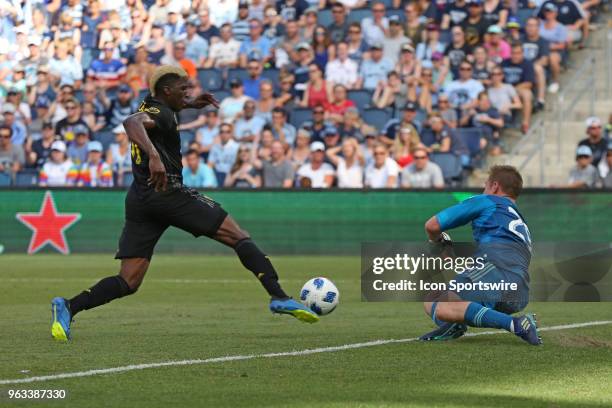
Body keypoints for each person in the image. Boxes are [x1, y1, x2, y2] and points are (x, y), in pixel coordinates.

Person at [50, 66, 318, 342]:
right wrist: (154, 156)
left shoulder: (155, 103)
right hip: (169, 194)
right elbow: (131, 123)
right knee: (238, 236)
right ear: (167, 91)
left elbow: (151, 114)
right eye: (183, 89)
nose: (188, 93)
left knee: (129, 280)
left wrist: (191, 104)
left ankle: (69, 306)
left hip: (141, 198)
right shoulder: (163, 113)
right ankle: (278, 296)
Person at [419, 165, 540, 346]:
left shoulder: (488, 200)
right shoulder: (518, 219)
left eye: (485, 185)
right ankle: (454, 325)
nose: (484, 190)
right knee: (436, 295)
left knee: (435, 302)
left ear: (495, 186)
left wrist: (438, 243)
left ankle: (516, 324)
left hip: (495, 272)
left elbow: (432, 225)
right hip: (519, 291)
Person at [502, 44, 536, 133]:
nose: (515, 55)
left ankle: (525, 123)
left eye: (518, 53)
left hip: (518, 89)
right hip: (503, 89)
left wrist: (512, 90)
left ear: (522, 53)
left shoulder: (527, 64)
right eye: (513, 53)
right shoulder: (504, 62)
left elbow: (529, 83)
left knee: (527, 94)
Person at [207, 122, 240, 186]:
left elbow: (239, 164)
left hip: (232, 174)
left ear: (231, 133)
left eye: (227, 132)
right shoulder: (215, 147)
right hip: (217, 175)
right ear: (219, 133)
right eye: (222, 132)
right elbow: (210, 164)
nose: (224, 134)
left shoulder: (237, 147)